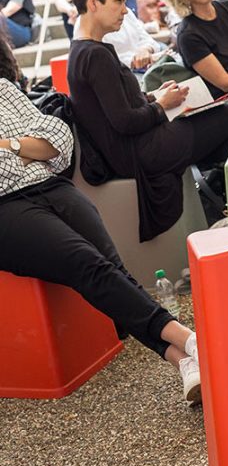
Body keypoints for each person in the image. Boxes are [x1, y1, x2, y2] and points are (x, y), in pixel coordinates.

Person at [0, 61, 202, 404]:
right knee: (86, 263)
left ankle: (183, 361)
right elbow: (38, 149)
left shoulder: (3, 89)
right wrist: (28, 147)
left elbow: (58, 140)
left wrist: (8, 146)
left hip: (52, 186)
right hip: (6, 208)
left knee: (111, 267)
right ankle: (190, 340)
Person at [68, 0, 228, 240]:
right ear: (93, 2)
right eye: (118, 1)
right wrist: (162, 105)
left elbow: (120, 106)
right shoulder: (94, 54)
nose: (125, 10)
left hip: (142, 145)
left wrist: (155, 97)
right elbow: (124, 121)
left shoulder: (84, 51)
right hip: (144, 150)